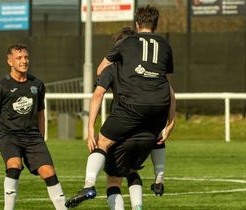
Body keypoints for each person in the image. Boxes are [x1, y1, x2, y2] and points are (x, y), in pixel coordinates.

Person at [66, 5, 174, 208]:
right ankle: (157, 181)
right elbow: (167, 87)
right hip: (153, 119)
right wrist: (171, 122)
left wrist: (90, 128)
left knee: (106, 155)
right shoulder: (165, 46)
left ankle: (89, 184)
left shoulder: (119, 57)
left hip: (125, 120)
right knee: (135, 167)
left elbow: (99, 84)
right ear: (156, 24)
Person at [0, 44, 67, 210]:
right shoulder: (1, 86)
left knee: (49, 172)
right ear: (10, 61)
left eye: (26, 57)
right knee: (14, 165)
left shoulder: (37, 85)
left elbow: (40, 114)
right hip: (8, 135)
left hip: (33, 137)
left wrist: (41, 139)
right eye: (19, 58)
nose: (24, 61)